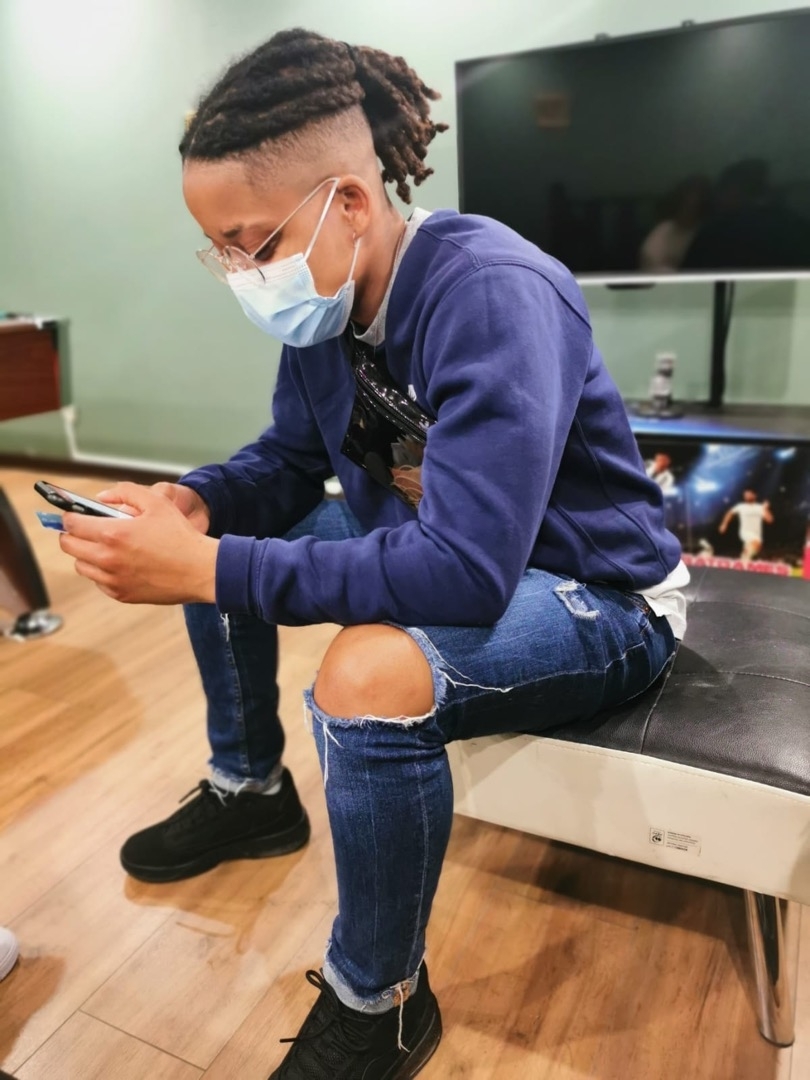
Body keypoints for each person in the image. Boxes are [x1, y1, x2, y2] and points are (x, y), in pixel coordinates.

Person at [57, 28, 689, 1079]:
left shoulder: (491, 291)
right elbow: (287, 462)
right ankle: (251, 792)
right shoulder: (325, 311)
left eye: (251, 244)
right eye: (220, 251)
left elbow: (468, 570)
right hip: (441, 542)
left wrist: (206, 570)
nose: (240, 274)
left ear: (348, 202)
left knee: (362, 676)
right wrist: (190, 503)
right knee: (214, 538)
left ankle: (380, 1002)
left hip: (598, 592)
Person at [719, 489, 774, 561]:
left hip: (757, 534)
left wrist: (765, 509)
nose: (747, 496)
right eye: (745, 495)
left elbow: (770, 520)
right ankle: (745, 557)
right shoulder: (741, 506)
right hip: (745, 532)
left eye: (749, 494)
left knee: (756, 548)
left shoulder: (760, 507)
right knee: (754, 543)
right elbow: (729, 513)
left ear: (754, 496)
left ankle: (744, 558)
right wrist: (724, 524)